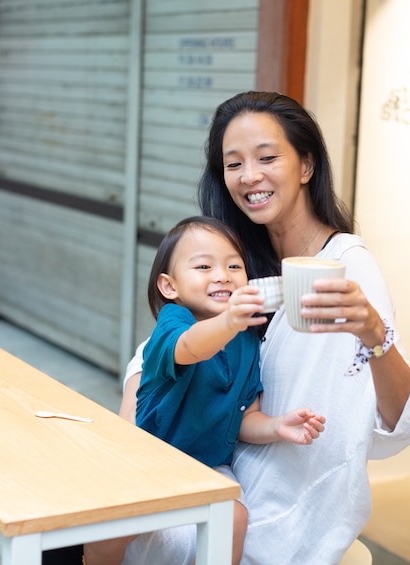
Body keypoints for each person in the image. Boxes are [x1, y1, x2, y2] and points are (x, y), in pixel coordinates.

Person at [120, 91, 410, 564]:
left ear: (306, 166)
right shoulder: (241, 259)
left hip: (285, 501)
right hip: (219, 468)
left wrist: (374, 335)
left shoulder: (345, 267)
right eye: (233, 164)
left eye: (267, 158)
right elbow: (169, 341)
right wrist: (136, 391)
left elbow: (400, 418)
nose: (249, 177)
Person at [84, 215, 325, 565]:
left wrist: (276, 426)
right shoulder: (174, 322)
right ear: (170, 287)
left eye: (234, 265)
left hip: (205, 465)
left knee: (234, 518)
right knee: (110, 524)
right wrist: (228, 322)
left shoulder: (248, 342)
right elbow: (191, 348)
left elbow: (245, 416)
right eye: (203, 266)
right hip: (149, 458)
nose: (222, 275)